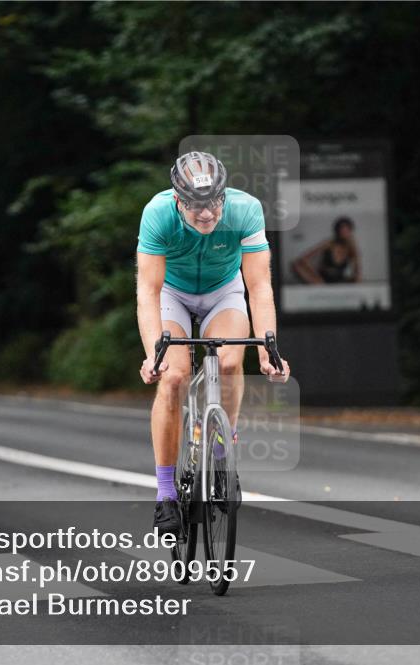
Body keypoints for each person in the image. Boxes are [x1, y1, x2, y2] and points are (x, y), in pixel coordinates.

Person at [136, 151, 291, 534]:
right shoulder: (157, 213)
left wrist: (268, 350)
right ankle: (166, 494)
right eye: (195, 207)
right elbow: (148, 292)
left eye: (213, 204)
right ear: (178, 200)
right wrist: (153, 355)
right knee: (173, 379)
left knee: (227, 362)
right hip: (174, 292)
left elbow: (258, 287)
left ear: (224, 194)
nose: (207, 215)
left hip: (223, 291)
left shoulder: (245, 209)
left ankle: (222, 451)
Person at [291, 216, 361, 284]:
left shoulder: (351, 247)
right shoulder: (329, 243)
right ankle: (319, 284)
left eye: (347, 230)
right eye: (342, 230)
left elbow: (357, 269)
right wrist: (315, 275)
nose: (344, 233)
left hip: (339, 279)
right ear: (337, 231)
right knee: (296, 264)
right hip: (322, 280)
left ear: (350, 231)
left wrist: (355, 250)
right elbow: (303, 259)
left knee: (357, 279)